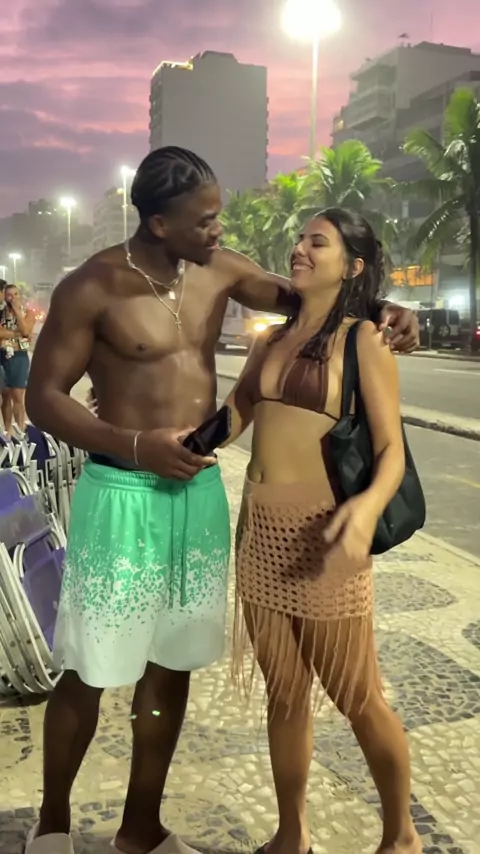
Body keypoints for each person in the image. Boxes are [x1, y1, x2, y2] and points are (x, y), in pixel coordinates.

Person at [25, 147, 419, 854]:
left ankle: (140, 828)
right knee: (91, 663)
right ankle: (52, 823)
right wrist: (134, 444)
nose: (220, 231)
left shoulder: (222, 269)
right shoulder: (92, 286)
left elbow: (310, 297)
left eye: (219, 217)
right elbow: (44, 398)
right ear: (159, 223)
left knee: (171, 663)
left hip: (198, 493)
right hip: (123, 492)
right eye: (205, 220)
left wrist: (385, 307)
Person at [224, 208, 421, 854]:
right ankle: (292, 833)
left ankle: (401, 836)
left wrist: (364, 511)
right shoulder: (270, 340)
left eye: (318, 242)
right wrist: (167, 438)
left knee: (358, 696)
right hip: (260, 531)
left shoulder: (364, 340)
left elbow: (390, 451)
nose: (300, 249)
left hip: (325, 534)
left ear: (352, 267)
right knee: (284, 695)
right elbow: (233, 416)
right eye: (299, 239)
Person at [0, 284, 35, 438]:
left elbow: (26, 331)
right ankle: (7, 432)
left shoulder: (28, 313)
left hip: (19, 357)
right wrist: (17, 334)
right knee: (5, 395)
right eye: (9, 295)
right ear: (5, 297)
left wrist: (17, 312)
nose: (13, 298)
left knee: (18, 396)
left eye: (16, 294)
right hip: (2, 356)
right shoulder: (0, 314)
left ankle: (20, 432)